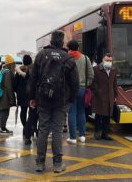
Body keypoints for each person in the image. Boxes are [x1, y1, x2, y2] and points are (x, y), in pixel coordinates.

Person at [29, 30, 79, 173]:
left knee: (43, 129)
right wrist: (70, 100)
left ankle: (40, 163)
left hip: (43, 99)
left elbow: (33, 79)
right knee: (57, 131)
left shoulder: (41, 55)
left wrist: (32, 97)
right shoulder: (68, 58)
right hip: (60, 101)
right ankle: (57, 164)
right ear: (62, 42)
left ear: (51, 41)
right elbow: (75, 83)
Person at [66, 40, 94, 144]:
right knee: (81, 112)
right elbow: (91, 75)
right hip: (82, 89)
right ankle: (82, 136)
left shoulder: (66, 59)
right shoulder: (86, 58)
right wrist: (85, 84)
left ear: (69, 48)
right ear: (78, 48)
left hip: (70, 90)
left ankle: (73, 137)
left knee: (72, 112)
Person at [91, 52, 118, 140]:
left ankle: (105, 134)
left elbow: (114, 83)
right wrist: (97, 91)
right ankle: (97, 132)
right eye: (107, 60)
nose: (108, 62)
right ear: (103, 60)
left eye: (110, 60)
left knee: (107, 116)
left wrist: (115, 95)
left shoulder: (113, 69)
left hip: (110, 96)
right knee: (99, 115)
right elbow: (92, 83)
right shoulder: (96, 69)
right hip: (99, 96)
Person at [0, 55, 16, 134]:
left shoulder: (3, 70)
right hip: (5, 95)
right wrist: (11, 98)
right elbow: (8, 86)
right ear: (10, 64)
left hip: (2, 94)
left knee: (3, 111)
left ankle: (3, 127)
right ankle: (3, 128)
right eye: (13, 64)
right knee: (5, 111)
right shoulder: (8, 72)